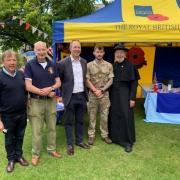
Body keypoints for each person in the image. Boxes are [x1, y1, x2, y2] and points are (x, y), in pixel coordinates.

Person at [24, 41, 61, 166]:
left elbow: (58, 82)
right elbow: (28, 86)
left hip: (51, 102)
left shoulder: (52, 64)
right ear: (35, 51)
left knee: (52, 128)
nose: (41, 52)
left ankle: (52, 149)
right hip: (35, 102)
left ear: (46, 50)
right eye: (38, 50)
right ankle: (35, 154)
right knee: (37, 130)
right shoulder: (29, 65)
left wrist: (50, 89)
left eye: (43, 49)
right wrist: (43, 92)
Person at [58, 40, 90, 156]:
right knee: (69, 122)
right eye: (75, 47)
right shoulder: (62, 63)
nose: (77, 49)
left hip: (81, 95)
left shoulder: (84, 62)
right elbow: (59, 80)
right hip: (70, 97)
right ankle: (70, 144)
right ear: (70, 48)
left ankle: (79, 141)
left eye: (79, 47)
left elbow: (84, 79)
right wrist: (62, 95)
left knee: (80, 121)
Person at [0, 50, 28, 173]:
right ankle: (11, 159)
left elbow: (26, 92)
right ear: (3, 62)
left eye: (14, 60)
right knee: (9, 139)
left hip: (22, 114)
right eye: (9, 60)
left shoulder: (21, 74)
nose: (12, 62)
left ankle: (19, 156)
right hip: (7, 116)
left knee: (20, 136)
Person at [109, 44, 140, 153]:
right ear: (115, 54)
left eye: (121, 52)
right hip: (114, 94)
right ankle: (115, 138)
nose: (119, 54)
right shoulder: (113, 66)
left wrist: (132, 98)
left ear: (125, 54)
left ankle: (128, 142)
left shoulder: (131, 66)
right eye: (117, 52)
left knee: (126, 116)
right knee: (114, 115)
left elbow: (134, 83)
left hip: (125, 94)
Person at [86, 46, 114, 145]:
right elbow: (87, 80)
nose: (99, 54)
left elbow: (111, 80)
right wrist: (95, 90)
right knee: (92, 116)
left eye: (101, 52)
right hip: (93, 94)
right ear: (94, 53)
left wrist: (102, 90)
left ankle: (105, 135)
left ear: (104, 53)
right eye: (97, 52)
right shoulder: (88, 65)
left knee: (104, 116)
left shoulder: (109, 65)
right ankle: (91, 135)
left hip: (104, 94)